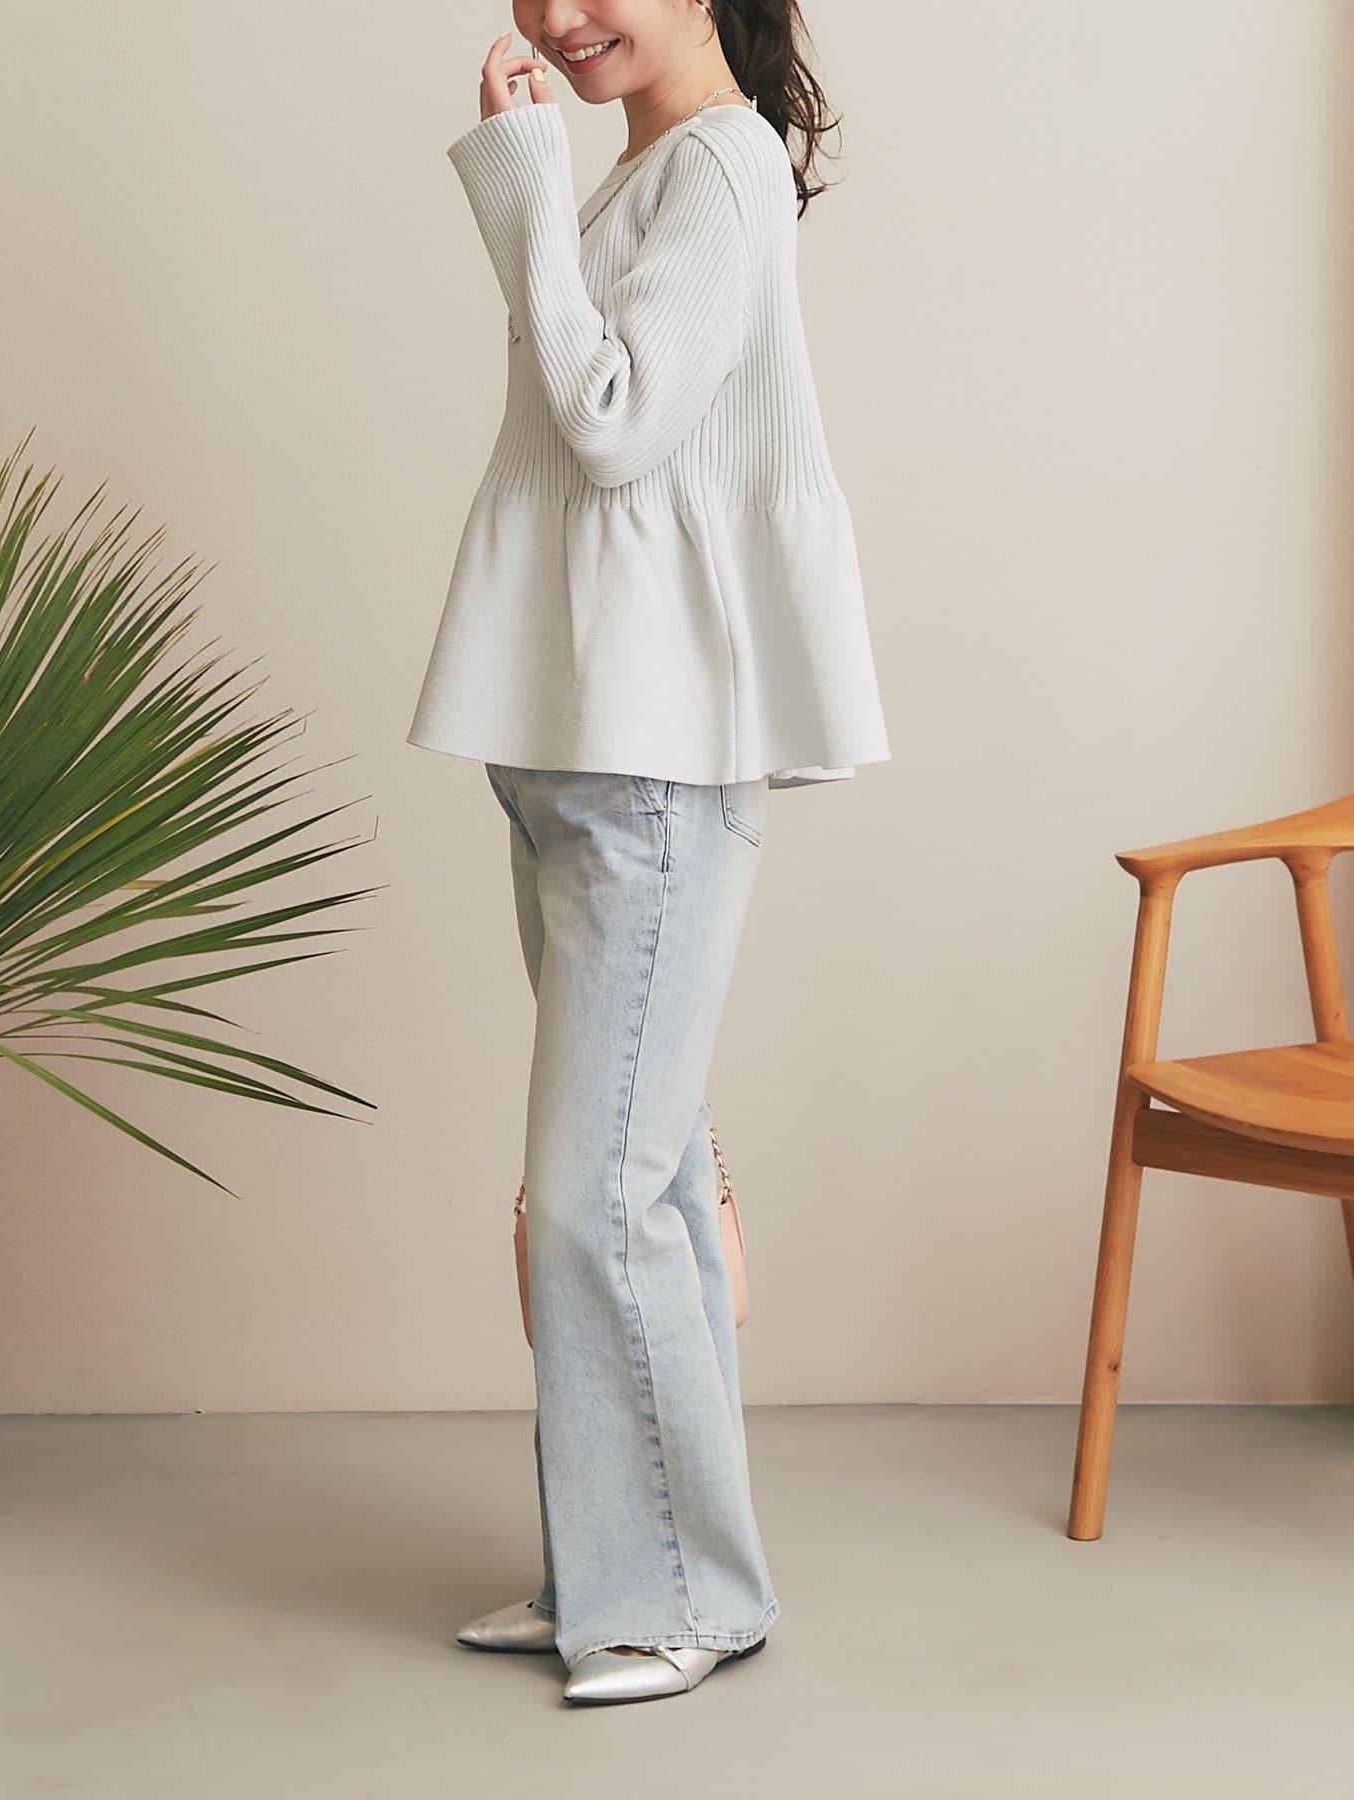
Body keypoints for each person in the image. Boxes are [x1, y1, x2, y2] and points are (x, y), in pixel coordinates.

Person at [408, 0, 891, 1706]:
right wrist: (549, 187)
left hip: (651, 765)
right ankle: (637, 1572)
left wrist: (521, 180)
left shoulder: (724, 169)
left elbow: (611, 421)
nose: (558, 16)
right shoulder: (645, 177)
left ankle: (667, 1597)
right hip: (575, 743)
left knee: (595, 1196)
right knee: (648, 1181)